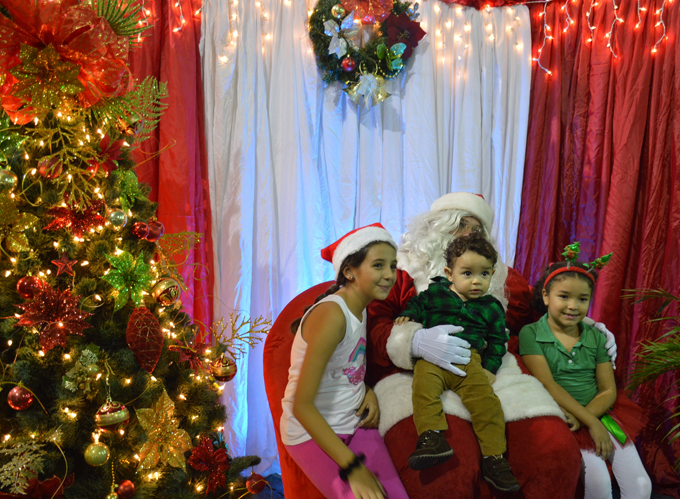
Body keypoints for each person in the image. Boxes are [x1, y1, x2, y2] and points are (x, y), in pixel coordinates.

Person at [365, 191, 619, 499]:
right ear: (436, 228)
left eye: (477, 228)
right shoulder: (401, 271)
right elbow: (375, 323)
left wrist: (586, 329)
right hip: (412, 369)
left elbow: (535, 315)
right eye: (461, 225)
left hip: (486, 364)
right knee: (447, 472)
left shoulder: (501, 278)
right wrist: (414, 341)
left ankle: (495, 459)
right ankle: (432, 438)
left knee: (554, 453)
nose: (470, 234)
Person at [280, 223, 409, 499]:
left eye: (393, 266)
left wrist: (367, 390)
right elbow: (301, 406)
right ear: (349, 272)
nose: (389, 275)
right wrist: (353, 467)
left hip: (353, 420)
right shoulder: (333, 316)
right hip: (312, 432)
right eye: (378, 265)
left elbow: (346, 368)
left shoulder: (362, 308)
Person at [519, 246, 651, 499]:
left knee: (641, 486)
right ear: (546, 296)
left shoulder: (595, 336)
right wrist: (587, 423)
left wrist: (590, 419)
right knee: (599, 484)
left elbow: (608, 389)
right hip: (563, 418)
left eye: (582, 299)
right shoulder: (531, 334)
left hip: (601, 414)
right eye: (564, 296)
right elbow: (548, 384)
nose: (573, 306)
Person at [395, 234, 520, 492]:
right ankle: (431, 437)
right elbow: (418, 303)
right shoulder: (436, 293)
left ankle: (494, 459)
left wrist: (490, 368)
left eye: (484, 274)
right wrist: (409, 314)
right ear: (450, 274)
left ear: (492, 274)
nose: (476, 281)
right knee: (423, 388)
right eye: (467, 273)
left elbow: (498, 340)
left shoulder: (491, 307)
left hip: (468, 358)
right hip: (432, 354)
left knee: (487, 403)